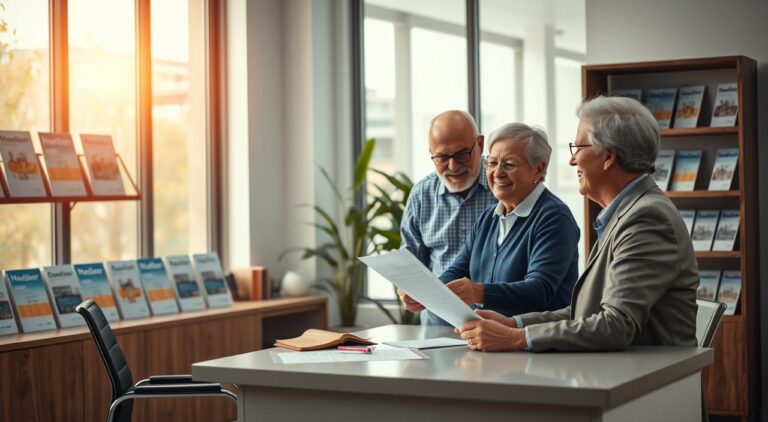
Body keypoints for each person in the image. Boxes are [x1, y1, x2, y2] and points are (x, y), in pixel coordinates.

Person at [457, 96, 699, 351]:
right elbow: (587, 312)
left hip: (648, 374)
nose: (572, 161)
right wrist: (514, 324)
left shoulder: (646, 218)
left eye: (578, 148)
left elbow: (616, 325)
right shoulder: (627, 213)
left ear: (608, 156)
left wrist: (517, 338)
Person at [400, 123, 580, 325]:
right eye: (492, 163)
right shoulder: (488, 218)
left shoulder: (554, 217)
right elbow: (457, 270)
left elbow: (539, 290)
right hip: (488, 338)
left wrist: (480, 292)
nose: (497, 173)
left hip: (537, 340)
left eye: (509, 164)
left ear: (538, 169)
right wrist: (425, 293)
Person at [399, 110, 496, 322]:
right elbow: (411, 262)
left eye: (462, 154)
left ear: (480, 145)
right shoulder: (422, 195)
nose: (453, 166)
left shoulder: (503, 186)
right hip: (437, 325)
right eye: (442, 157)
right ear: (431, 153)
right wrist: (407, 289)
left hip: (496, 325)